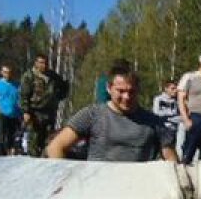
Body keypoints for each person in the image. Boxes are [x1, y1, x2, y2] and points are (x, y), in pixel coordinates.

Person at [46, 65, 177, 162]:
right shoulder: (91, 115)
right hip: (97, 190)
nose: (126, 96)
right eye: (121, 91)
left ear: (138, 90)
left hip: (137, 191)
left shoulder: (154, 122)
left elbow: (172, 160)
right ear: (109, 88)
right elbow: (55, 147)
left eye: (131, 92)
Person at [20, 53, 66, 157]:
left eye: (45, 63)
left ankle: (44, 161)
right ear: (36, 63)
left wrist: (59, 97)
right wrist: (26, 111)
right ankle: (33, 160)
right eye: (41, 63)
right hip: (35, 112)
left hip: (49, 112)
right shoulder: (29, 76)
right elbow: (24, 95)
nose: (43, 65)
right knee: (34, 140)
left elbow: (64, 86)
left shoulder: (53, 76)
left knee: (48, 140)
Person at [0, 64, 22, 156]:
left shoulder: (17, 85)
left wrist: (21, 112)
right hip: (1, 113)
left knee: (12, 135)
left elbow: (20, 99)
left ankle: (10, 154)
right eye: (5, 72)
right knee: (1, 135)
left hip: (14, 114)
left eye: (9, 72)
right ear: (2, 72)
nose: (8, 74)